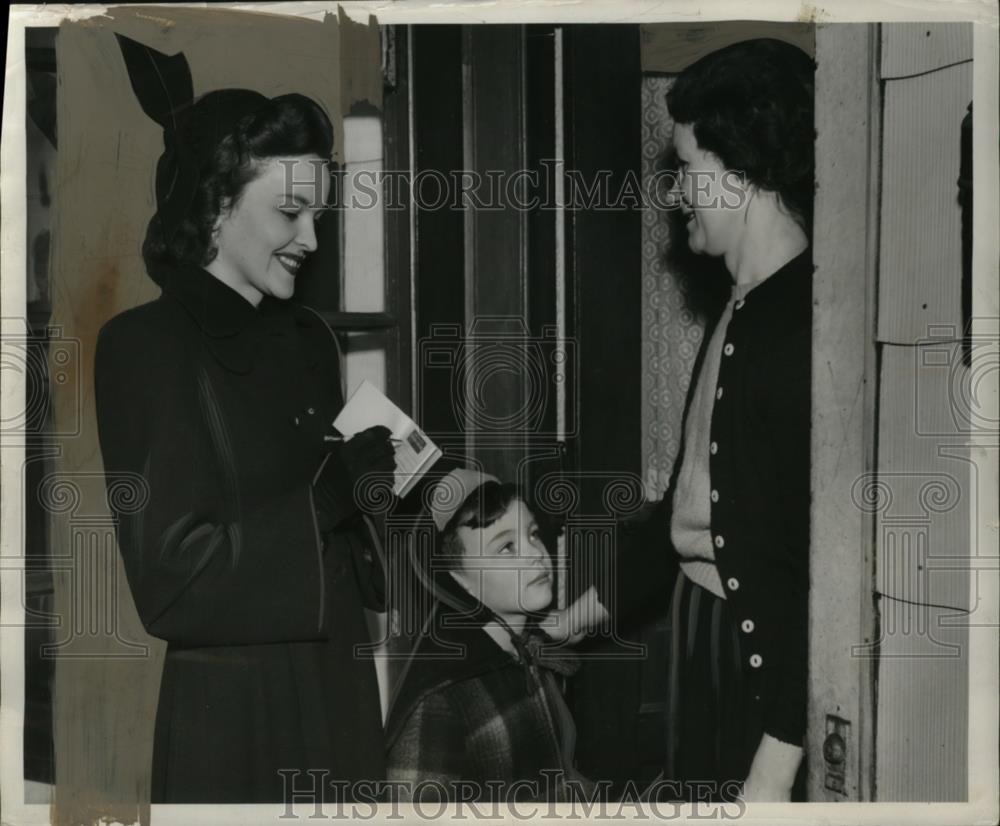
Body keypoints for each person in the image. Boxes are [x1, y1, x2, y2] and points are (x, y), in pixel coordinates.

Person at [94, 37, 395, 803]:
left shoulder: (309, 340)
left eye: (318, 215)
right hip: (234, 719)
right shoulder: (143, 346)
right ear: (217, 204)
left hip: (339, 689)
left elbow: (342, 548)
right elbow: (169, 583)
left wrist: (383, 492)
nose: (312, 240)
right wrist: (324, 502)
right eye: (290, 212)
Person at [547, 38, 815, 802]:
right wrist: (562, 628)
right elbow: (686, 519)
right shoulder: (739, 309)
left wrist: (776, 765)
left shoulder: (803, 327)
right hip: (703, 635)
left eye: (689, 170)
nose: (676, 195)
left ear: (744, 175)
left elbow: (814, 578)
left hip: (757, 669)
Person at [385, 469, 589, 803]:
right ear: (459, 580)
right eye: (507, 547)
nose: (536, 553)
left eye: (533, 534)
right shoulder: (441, 701)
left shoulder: (526, 653)